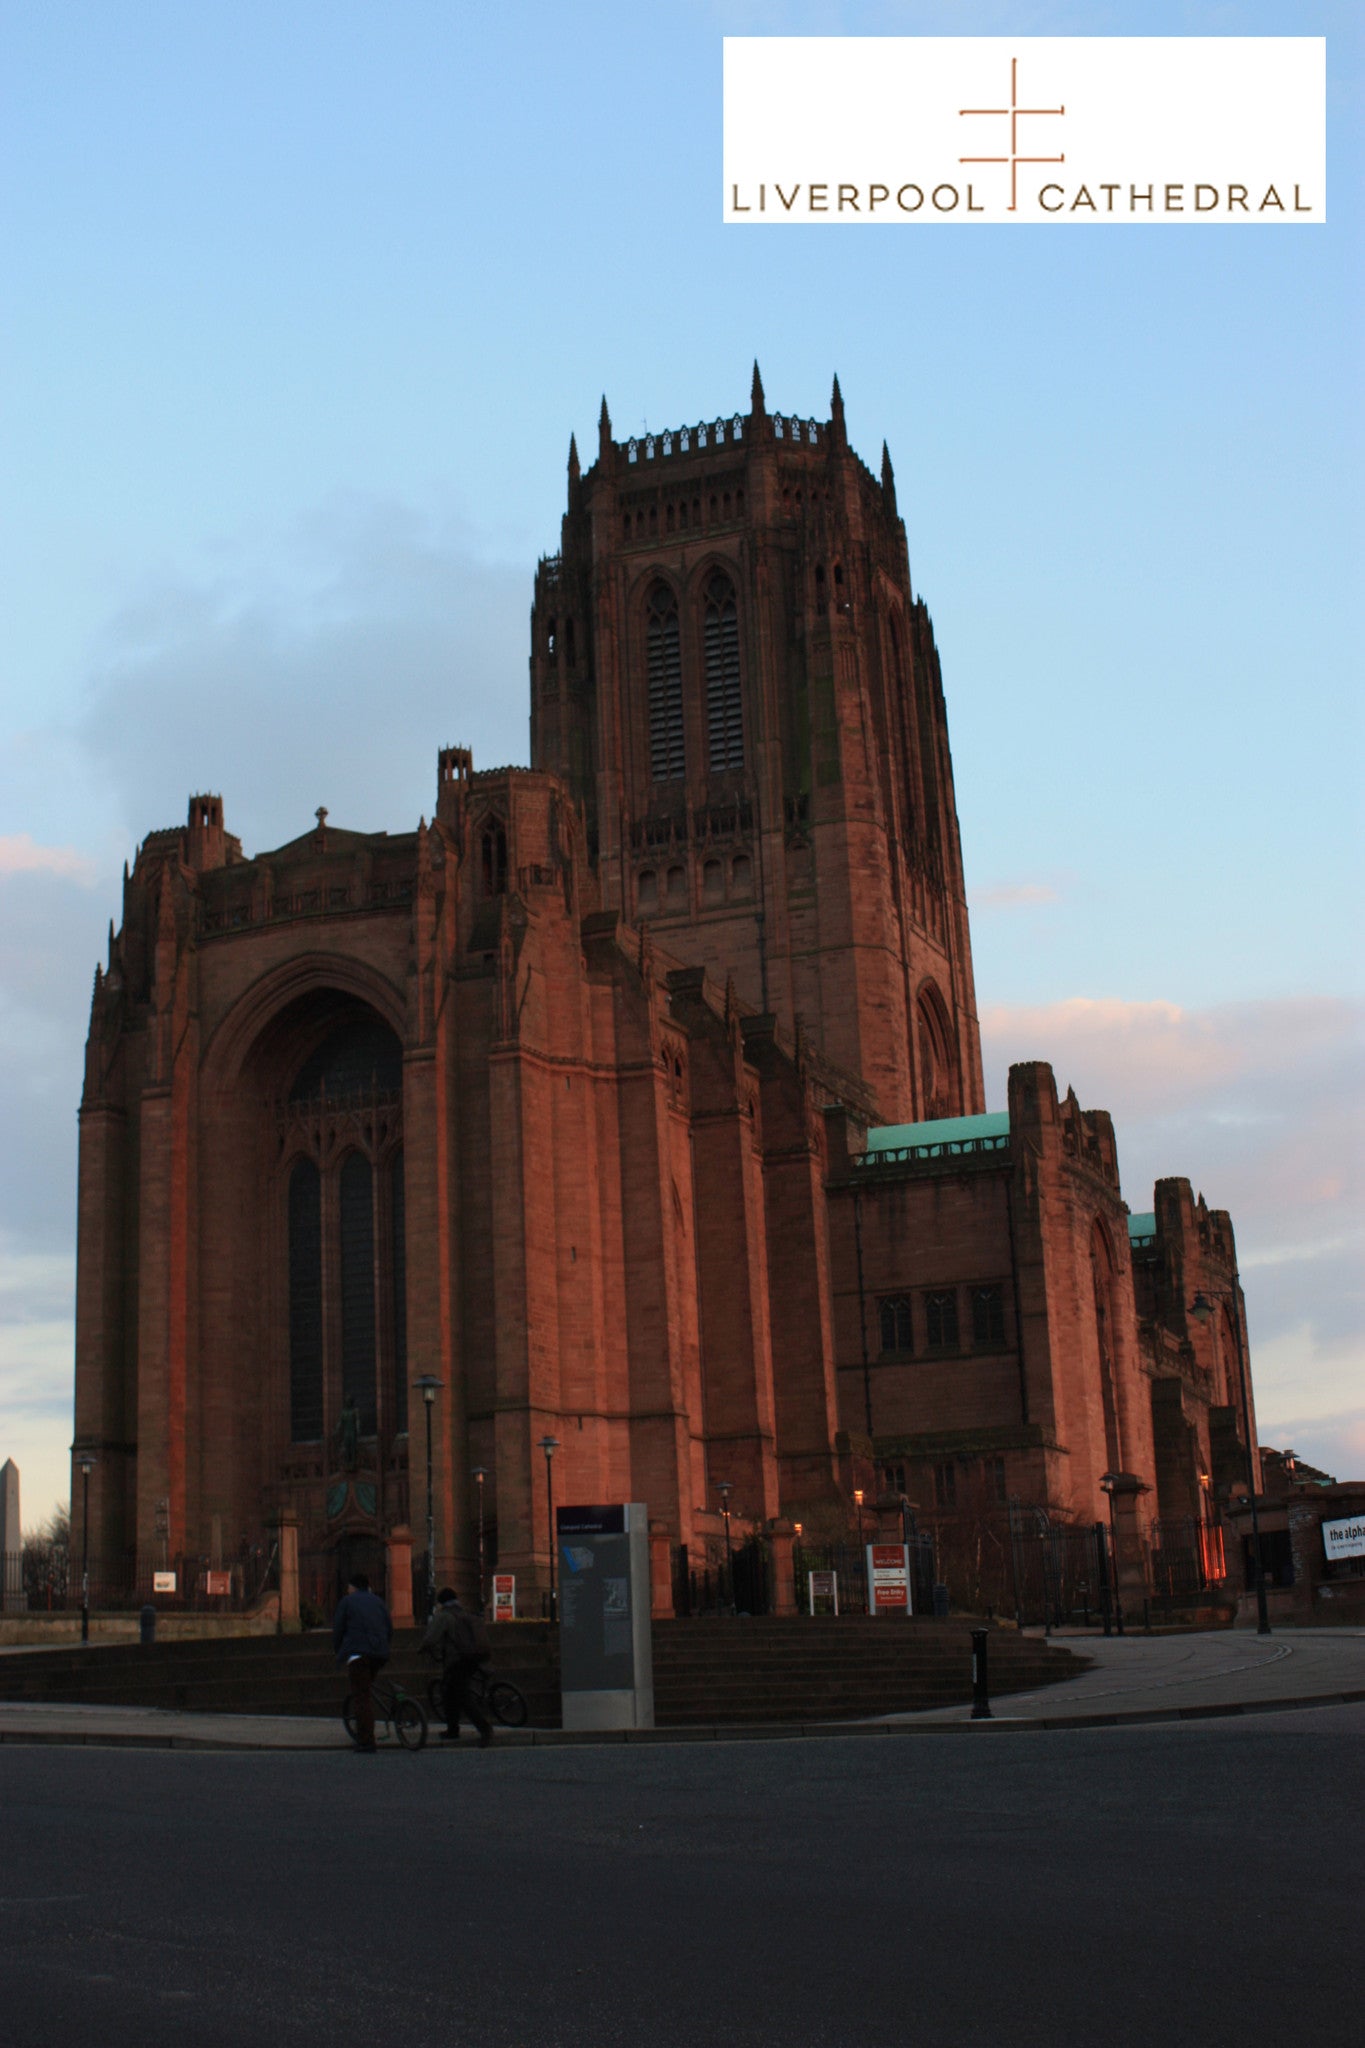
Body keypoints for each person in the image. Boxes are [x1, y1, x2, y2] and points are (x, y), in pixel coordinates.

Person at [421, 1587, 494, 1746]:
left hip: (457, 1660)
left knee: (461, 1695)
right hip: (473, 1657)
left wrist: (422, 1648)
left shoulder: (444, 1616)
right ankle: (452, 1729)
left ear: (441, 1603)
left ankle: (485, 1729)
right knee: (450, 1693)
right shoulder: (465, 1613)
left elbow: (431, 1638)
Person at [332, 1570, 393, 1752]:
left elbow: (338, 1629)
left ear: (353, 1587)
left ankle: (366, 1740)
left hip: (358, 1653)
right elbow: (389, 1628)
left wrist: (339, 1651)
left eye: (348, 1587)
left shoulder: (347, 1602)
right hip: (379, 1652)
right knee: (365, 1690)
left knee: (361, 1697)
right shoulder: (379, 1602)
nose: (348, 1590)